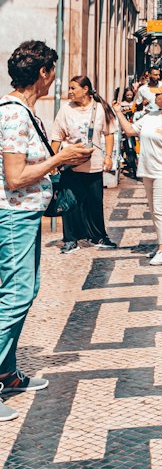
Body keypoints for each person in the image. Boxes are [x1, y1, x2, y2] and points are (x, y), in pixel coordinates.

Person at [0, 41, 91, 422]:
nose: (55, 78)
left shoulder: (25, 112)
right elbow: (15, 176)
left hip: (27, 215)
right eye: (53, 71)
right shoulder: (14, 116)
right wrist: (60, 158)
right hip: (14, 216)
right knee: (15, 296)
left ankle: (7, 374)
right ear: (43, 73)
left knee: (26, 290)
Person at [114, 82, 162, 266]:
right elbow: (130, 131)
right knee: (154, 209)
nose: (155, 97)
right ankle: (159, 244)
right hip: (148, 170)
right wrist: (118, 112)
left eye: (158, 95)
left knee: (160, 209)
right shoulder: (151, 116)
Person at [52, 75, 117, 252]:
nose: (70, 91)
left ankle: (98, 236)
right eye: (70, 88)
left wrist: (108, 156)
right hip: (71, 163)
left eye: (73, 88)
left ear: (86, 89)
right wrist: (52, 161)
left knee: (95, 201)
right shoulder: (66, 109)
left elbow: (109, 133)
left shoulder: (100, 108)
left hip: (93, 163)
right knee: (70, 202)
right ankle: (71, 239)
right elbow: (56, 136)